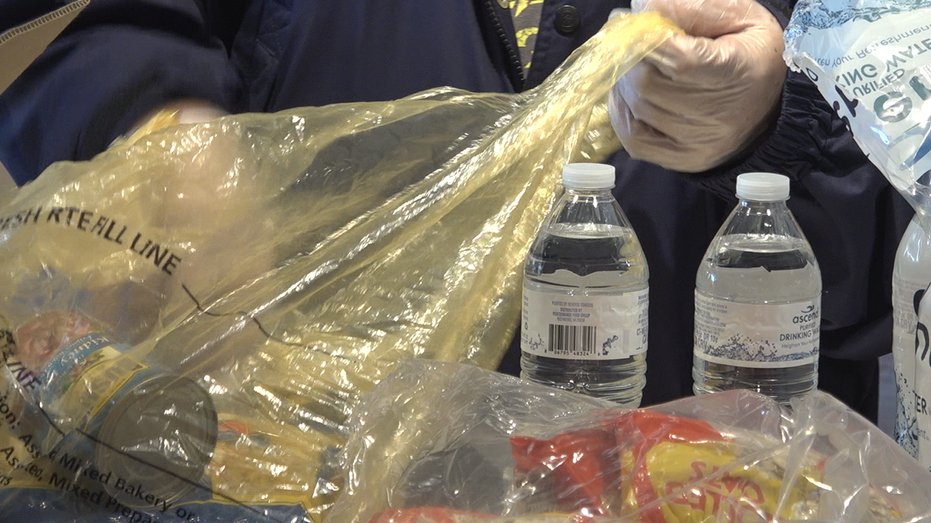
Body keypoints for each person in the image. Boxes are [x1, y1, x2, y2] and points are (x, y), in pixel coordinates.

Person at [0, 0, 910, 422]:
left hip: (689, 474)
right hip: (282, 456)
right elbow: (81, 30)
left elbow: (896, 267)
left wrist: (776, 131)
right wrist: (152, 126)